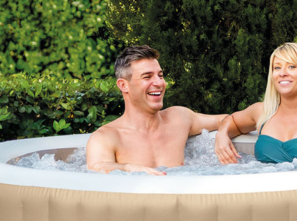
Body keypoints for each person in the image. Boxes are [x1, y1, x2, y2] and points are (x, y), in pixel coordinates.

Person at [87, 45, 226, 175]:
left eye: (160, 75)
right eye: (147, 77)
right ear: (123, 85)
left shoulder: (179, 119)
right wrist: (129, 168)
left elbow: (225, 119)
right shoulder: (106, 137)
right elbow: (97, 167)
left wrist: (223, 133)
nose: (159, 83)